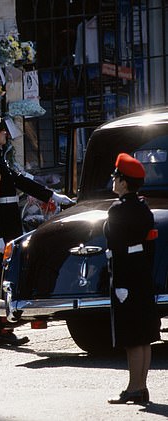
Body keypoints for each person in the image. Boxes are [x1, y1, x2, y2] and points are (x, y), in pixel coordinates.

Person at [0, 110, 73, 347]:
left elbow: (20, 181)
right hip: (1, 227)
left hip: (7, 224)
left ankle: (3, 329)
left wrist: (52, 196)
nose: (4, 133)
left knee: (5, 278)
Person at [105, 153, 160, 405]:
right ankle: (142, 386)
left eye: (117, 177)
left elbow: (116, 247)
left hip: (126, 274)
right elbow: (149, 246)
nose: (114, 180)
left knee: (131, 337)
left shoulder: (118, 210)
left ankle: (132, 387)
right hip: (141, 272)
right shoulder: (143, 207)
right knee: (145, 334)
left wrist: (121, 283)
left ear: (124, 183)